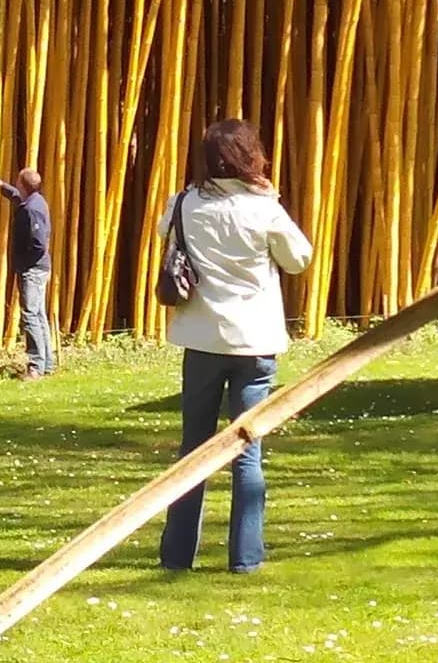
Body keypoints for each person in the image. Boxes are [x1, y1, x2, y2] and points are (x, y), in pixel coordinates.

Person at [157, 119, 312, 575]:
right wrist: (270, 200)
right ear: (251, 156)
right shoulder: (264, 209)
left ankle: (176, 554)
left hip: (201, 339)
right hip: (254, 341)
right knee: (249, 452)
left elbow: (165, 233)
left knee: (193, 449)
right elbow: (299, 259)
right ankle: (246, 558)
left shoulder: (184, 202)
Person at [0, 168, 54, 378]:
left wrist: (24, 263)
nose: (16, 186)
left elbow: (38, 243)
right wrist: (2, 186)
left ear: (23, 185)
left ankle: (35, 366)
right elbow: (18, 197)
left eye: (17, 183)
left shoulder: (31, 209)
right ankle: (47, 363)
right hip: (39, 267)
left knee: (31, 316)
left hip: (32, 269)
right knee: (39, 315)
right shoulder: (36, 201)